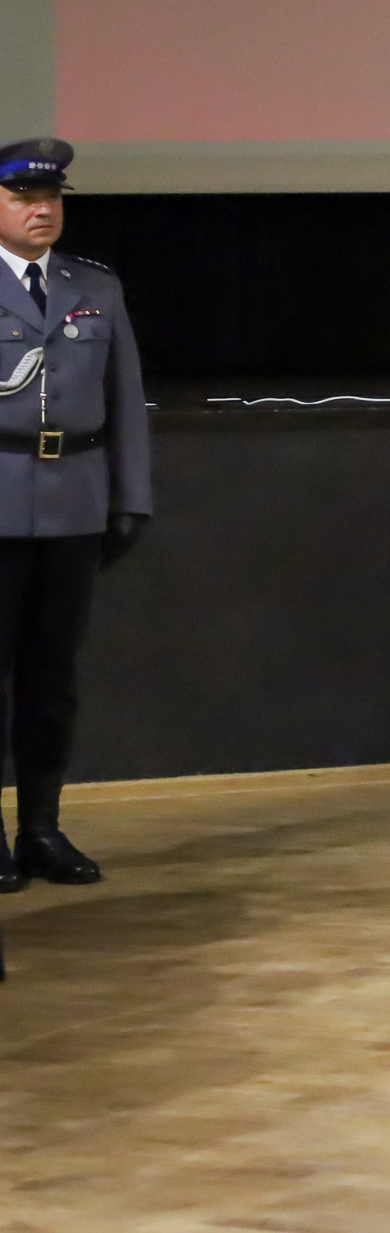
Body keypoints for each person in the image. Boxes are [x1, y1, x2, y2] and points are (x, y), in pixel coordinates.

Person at [0, 138, 151, 892]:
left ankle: (41, 827)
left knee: (51, 678)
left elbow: (125, 400)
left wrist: (131, 497)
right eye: (24, 198)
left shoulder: (94, 286)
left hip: (74, 503)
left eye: (52, 198)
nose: (42, 210)